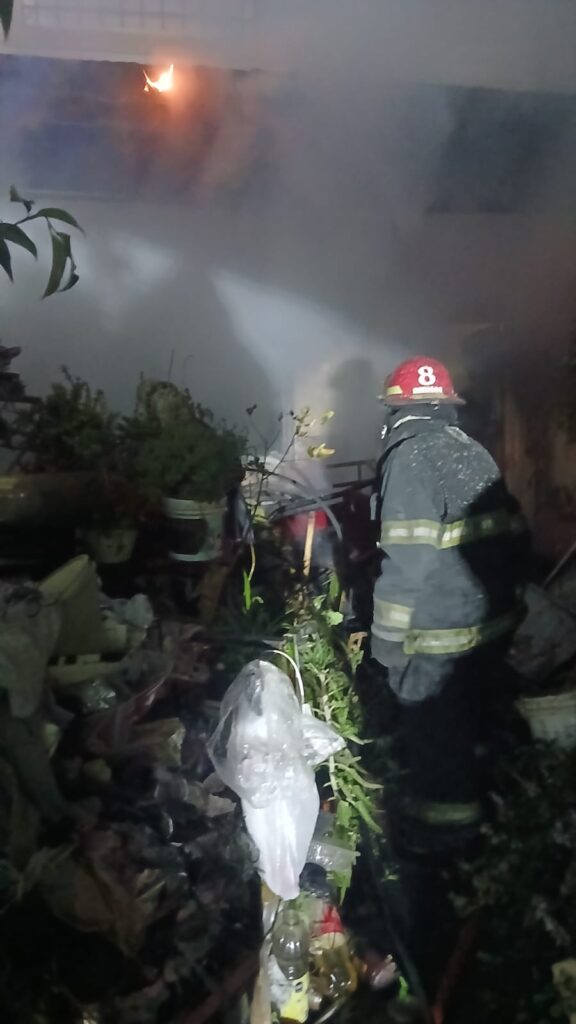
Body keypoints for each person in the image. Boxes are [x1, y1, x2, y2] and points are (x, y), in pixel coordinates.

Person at [371, 356, 528, 850]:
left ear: (396, 410)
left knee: (438, 744)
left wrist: (386, 638)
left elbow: (406, 560)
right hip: (491, 626)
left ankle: (443, 845)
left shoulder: (409, 458)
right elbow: (517, 535)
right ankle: (497, 828)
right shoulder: (473, 451)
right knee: (481, 729)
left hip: (438, 638)